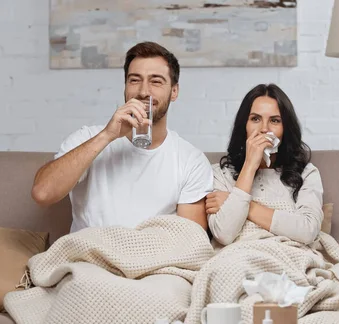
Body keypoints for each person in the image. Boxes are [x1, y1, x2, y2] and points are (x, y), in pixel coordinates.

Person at [31, 41, 213, 232]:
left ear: (174, 91)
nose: (143, 92)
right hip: (88, 256)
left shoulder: (191, 160)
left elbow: (190, 240)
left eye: (156, 81)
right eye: (134, 80)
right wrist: (107, 136)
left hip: (153, 258)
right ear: (125, 87)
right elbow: (42, 194)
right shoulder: (88, 137)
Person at [205, 83, 323, 247]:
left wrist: (245, 206)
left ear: (285, 128)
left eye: (274, 121)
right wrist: (250, 165)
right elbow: (224, 234)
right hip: (238, 259)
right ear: (244, 126)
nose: (264, 129)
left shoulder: (306, 173)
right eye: (255, 119)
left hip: (288, 257)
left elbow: (308, 230)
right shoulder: (219, 174)